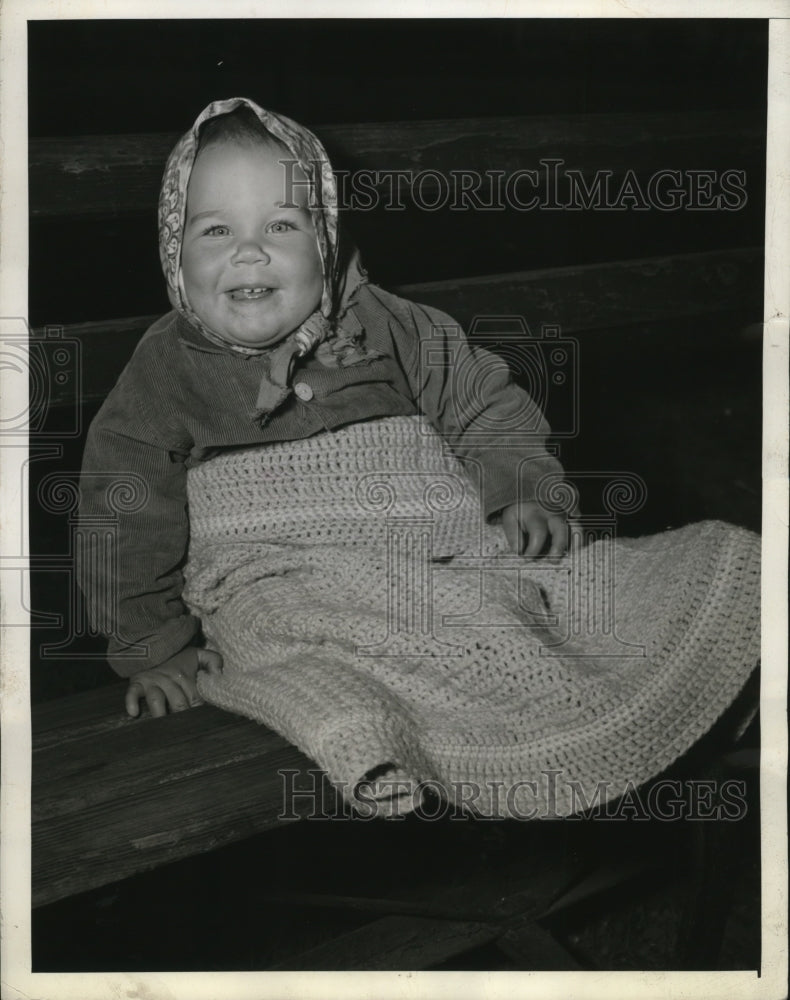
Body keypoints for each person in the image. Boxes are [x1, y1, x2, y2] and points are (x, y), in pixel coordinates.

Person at [78, 97, 571, 721]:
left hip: (434, 554)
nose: (249, 251)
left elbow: (479, 401)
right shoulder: (166, 366)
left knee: (545, 591)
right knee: (275, 639)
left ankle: (510, 681)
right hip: (277, 581)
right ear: (175, 252)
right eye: (215, 230)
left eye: (282, 225)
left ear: (328, 237)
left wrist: (520, 486)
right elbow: (122, 505)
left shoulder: (390, 323)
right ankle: (372, 719)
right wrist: (155, 647)